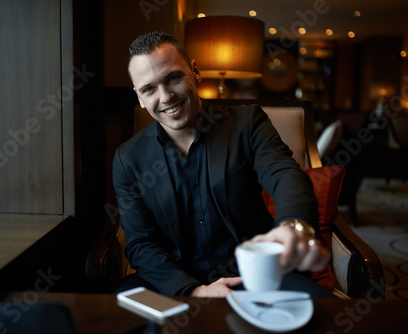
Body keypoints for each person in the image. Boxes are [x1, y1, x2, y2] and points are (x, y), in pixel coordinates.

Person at [112, 31, 331, 298]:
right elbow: (141, 244)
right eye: (149, 88)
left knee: (321, 311)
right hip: (175, 281)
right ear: (139, 97)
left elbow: (284, 173)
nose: (166, 96)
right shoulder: (127, 158)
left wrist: (292, 225)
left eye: (173, 78)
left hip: (257, 271)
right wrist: (193, 290)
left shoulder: (248, 123)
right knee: (123, 309)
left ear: (195, 71)